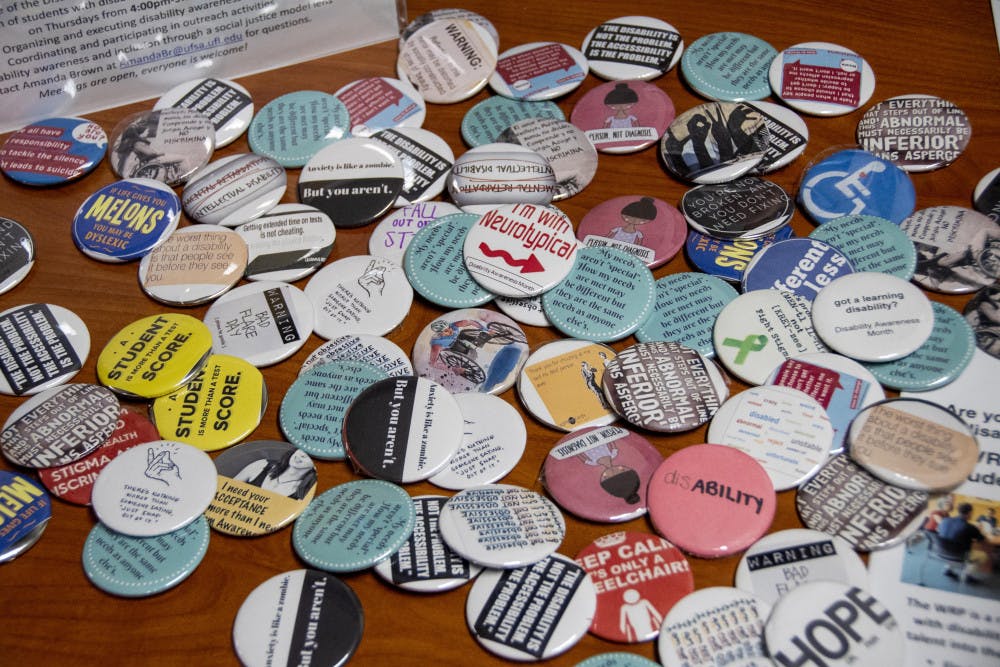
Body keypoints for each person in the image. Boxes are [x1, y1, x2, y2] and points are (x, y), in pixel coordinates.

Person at [234, 448, 317, 500]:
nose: (302, 454)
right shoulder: (261, 465)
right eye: (302, 448)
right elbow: (225, 490)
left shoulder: (306, 492)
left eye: (310, 455)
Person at [937, 503, 987, 581]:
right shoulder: (969, 527)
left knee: (951, 544)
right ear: (970, 513)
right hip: (960, 555)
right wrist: (979, 530)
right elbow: (982, 539)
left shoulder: (945, 520)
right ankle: (967, 575)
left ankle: (948, 569)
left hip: (941, 551)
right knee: (983, 556)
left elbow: (940, 531)